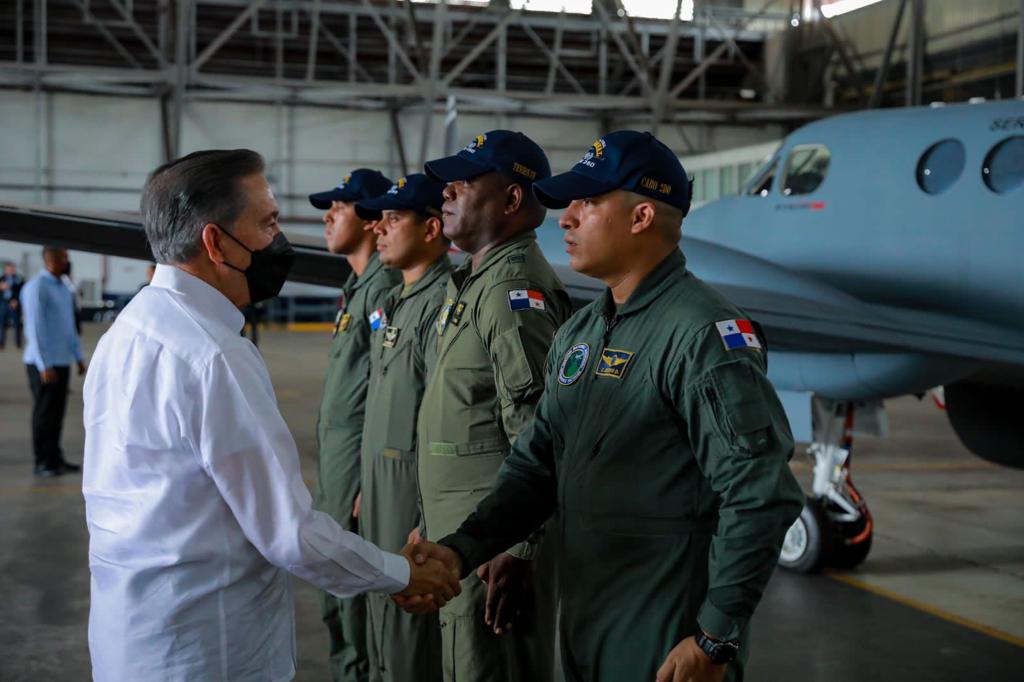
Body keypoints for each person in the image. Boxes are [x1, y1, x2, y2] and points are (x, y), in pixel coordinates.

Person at [408, 131, 806, 682]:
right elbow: (535, 466)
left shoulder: (701, 336)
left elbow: (761, 493)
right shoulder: (582, 332)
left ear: (642, 217)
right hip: (588, 619)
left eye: (588, 202)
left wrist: (715, 635)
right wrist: (459, 551)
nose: (566, 218)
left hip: (665, 636)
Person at [82, 149, 460, 682]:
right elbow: (288, 532)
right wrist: (401, 575)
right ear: (216, 243)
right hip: (207, 649)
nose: (279, 241)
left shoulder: (127, 330)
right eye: (268, 223)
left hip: (134, 637)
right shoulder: (212, 354)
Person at [415, 130, 573, 681]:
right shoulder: (474, 285)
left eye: (466, 180)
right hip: (464, 542)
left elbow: (540, 435)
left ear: (511, 200)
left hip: (493, 556)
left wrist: (521, 549)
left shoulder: (513, 293)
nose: (448, 191)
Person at [354, 173, 452, 682]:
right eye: (380, 219)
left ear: (432, 228)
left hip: (409, 501)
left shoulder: (441, 304)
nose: (379, 230)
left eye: (394, 219)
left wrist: (425, 516)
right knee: (382, 633)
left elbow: (439, 421)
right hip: (379, 493)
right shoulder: (398, 301)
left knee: (409, 640)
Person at [309, 167, 401, 682]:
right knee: (333, 587)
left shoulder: (383, 288)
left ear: (369, 221)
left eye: (339, 207)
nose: (328, 216)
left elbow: (387, 392)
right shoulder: (358, 287)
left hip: (356, 467)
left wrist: (368, 476)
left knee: (352, 593)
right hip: (338, 461)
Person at [20, 247, 86, 477]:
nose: (67, 262)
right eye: (64, 258)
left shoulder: (64, 288)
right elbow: (34, 329)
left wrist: (78, 357)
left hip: (61, 360)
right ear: (51, 260)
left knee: (57, 414)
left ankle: (55, 458)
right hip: (43, 364)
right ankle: (42, 461)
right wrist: (43, 364)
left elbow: (69, 328)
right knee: (44, 414)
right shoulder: (37, 287)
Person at [1, 260, 25, 350]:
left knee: (17, 325)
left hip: (15, 304)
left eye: (12, 269)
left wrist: (16, 301)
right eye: (8, 269)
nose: (10, 270)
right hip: (4, 303)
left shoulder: (18, 279)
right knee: (2, 325)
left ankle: (18, 344)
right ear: (5, 270)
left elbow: (22, 291)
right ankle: (1, 343)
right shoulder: (2, 279)